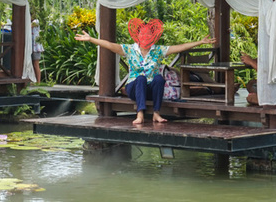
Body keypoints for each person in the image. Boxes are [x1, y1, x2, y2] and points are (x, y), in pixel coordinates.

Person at [76, 18, 216, 125]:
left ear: (152, 35)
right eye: (143, 33)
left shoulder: (158, 50)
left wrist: (200, 42)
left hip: (150, 89)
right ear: (138, 36)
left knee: (159, 79)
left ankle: (156, 113)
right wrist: (91, 39)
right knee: (141, 78)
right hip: (134, 87)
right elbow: (110, 45)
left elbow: (180, 47)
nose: (145, 36)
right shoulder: (130, 49)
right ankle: (140, 114)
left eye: (148, 33)